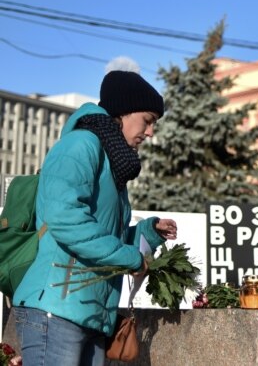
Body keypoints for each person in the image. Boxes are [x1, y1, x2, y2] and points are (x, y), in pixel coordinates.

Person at [12, 70, 178, 366]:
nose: (151, 131)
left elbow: (102, 238)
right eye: (148, 119)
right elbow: (67, 221)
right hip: (57, 307)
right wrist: (130, 257)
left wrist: (147, 233)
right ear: (124, 111)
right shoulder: (80, 146)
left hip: (90, 314)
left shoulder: (113, 163)